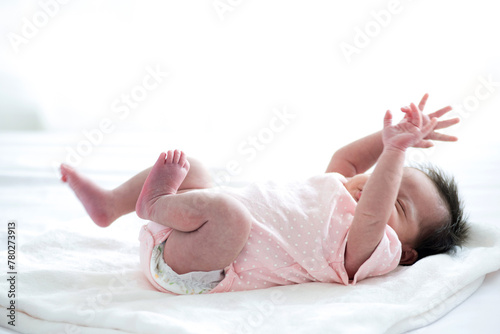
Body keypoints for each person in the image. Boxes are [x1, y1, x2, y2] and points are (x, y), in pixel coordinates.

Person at [60, 94, 469, 294]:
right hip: (190, 227)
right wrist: (396, 139)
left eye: (396, 199)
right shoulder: (337, 188)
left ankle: (155, 204)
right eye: (384, 175)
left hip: (196, 268)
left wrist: (396, 153)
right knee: (198, 170)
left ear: (406, 252)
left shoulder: (365, 248)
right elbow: (347, 157)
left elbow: (372, 216)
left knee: (231, 215)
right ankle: (110, 205)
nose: (379, 184)